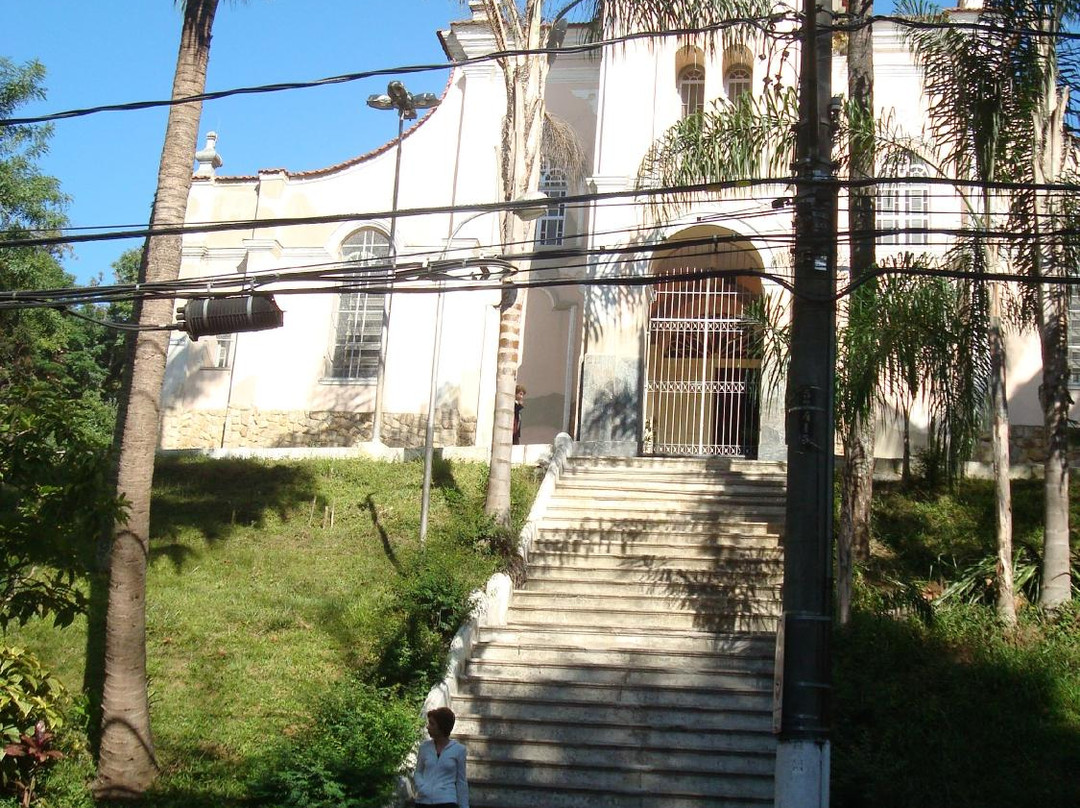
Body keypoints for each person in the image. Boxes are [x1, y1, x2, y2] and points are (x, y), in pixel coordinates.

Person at [413, 707, 469, 808]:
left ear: (441, 726)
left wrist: (464, 806)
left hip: (447, 801)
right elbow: (418, 772)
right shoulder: (424, 747)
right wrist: (422, 787)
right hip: (423, 801)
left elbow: (461, 781)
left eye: (432, 724)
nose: (428, 727)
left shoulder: (459, 750)